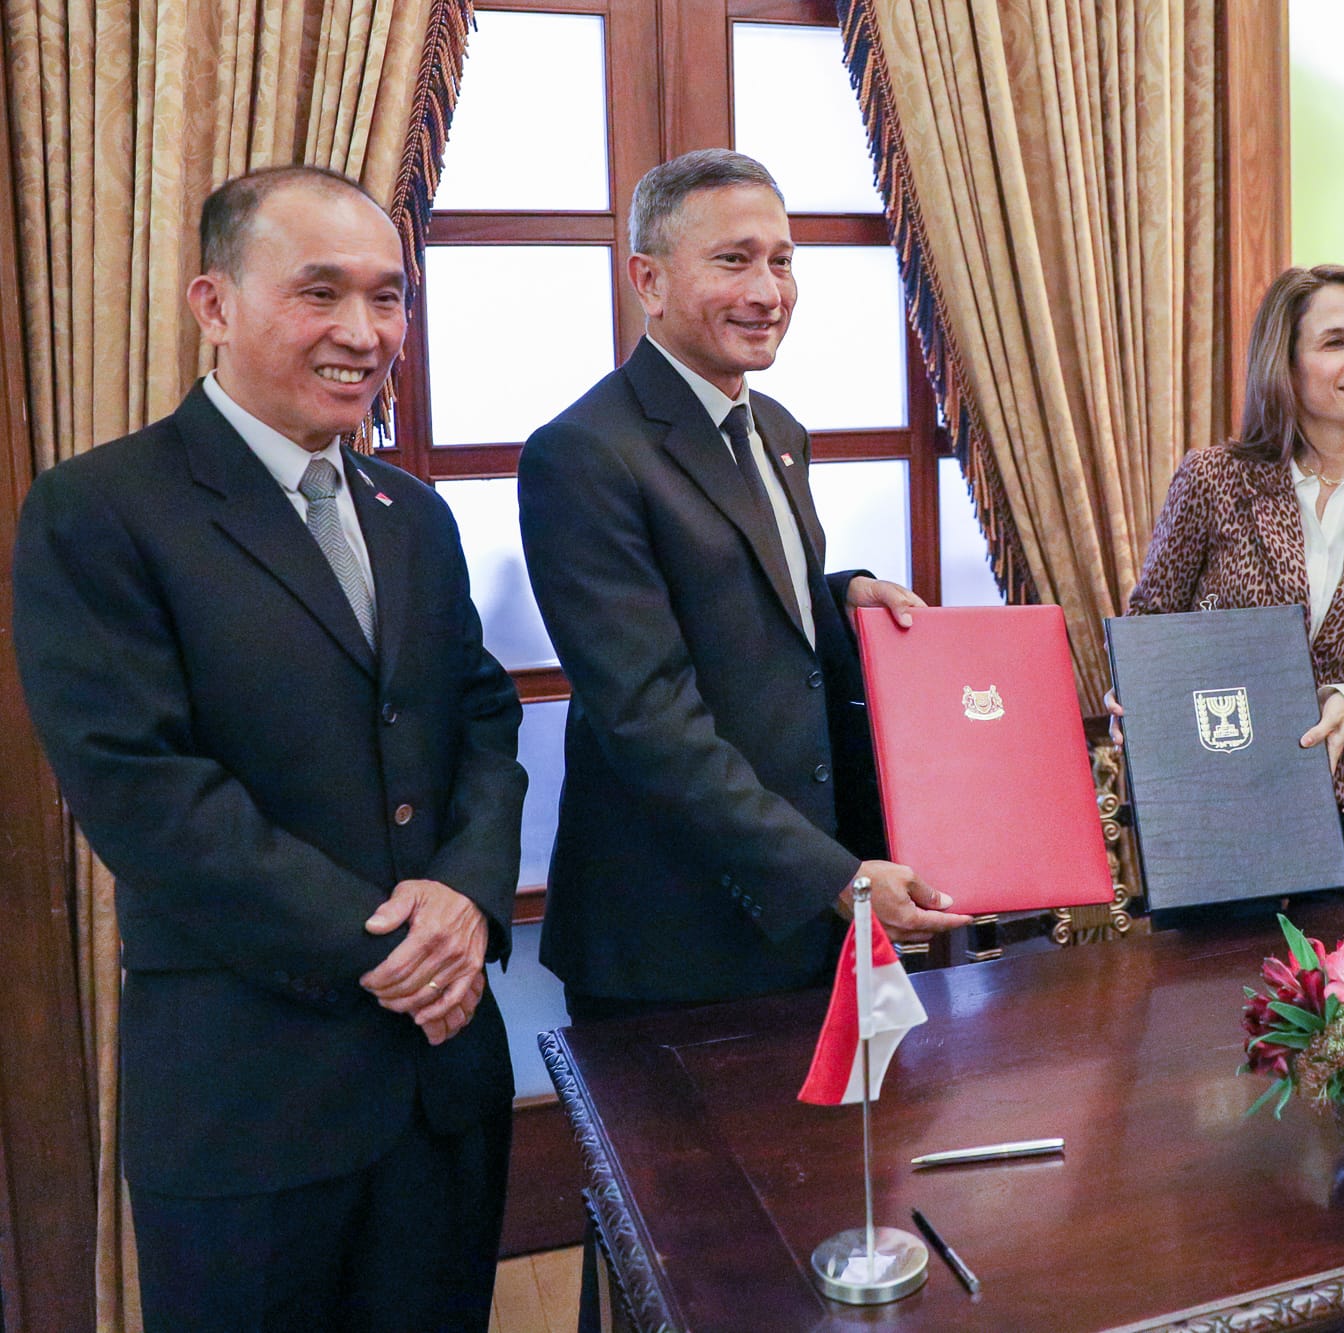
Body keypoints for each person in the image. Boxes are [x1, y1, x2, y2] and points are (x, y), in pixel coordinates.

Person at [11, 167, 527, 1330]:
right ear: (214, 303)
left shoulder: (412, 513)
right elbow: (149, 800)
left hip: (441, 1090)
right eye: (320, 293)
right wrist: (402, 949)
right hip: (250, 1099)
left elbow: (481, 719)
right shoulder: (100, 510)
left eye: (387, 298)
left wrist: (464, 892)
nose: (363, 332)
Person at [517, 149, 971, 1021]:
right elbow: (646, 711)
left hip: (805, 920)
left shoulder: (776, 427)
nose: (768, 290)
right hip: (675, 938)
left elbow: (740, 589)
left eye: (782, 260)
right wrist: (831, 874)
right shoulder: (584, 452)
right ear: (647, 280)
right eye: (734, 260)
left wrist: (841, 594)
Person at [1123, 263, 1344, 891]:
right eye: (1336, 341)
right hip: (1221, 807)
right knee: (1210, 992)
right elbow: (1151, 627)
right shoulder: (1213, 480)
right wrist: (1137, 685)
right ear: (1284, 368)